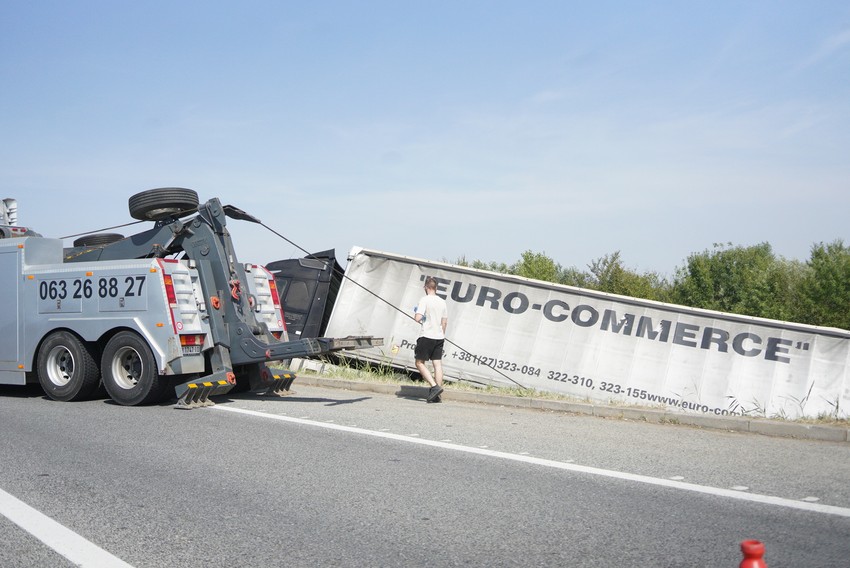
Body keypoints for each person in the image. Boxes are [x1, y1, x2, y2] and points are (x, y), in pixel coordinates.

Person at [413, 276, 448, 403]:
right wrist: (441, 334)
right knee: (437, 364)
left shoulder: (424, 300)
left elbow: (417, 318)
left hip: (427, 335)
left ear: (425, 287)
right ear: (436, 288)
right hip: (439, 337)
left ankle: (434, 387)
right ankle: (437, 396)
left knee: (419, 363)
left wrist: (417, 313)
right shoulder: (442, 302)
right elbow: (444, 322)